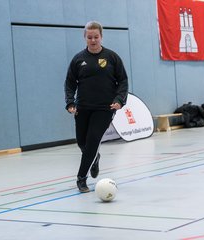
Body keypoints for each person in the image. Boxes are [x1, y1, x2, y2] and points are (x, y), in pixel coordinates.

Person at [64, 21, 129, 193]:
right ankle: (95, 158)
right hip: (82, 108)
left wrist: (119, 100)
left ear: (101, 37)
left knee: (92, 141)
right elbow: (70, 83)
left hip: (105, 108)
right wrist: (70, 102)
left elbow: (122, 80)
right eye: (89, 37)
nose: (93, 40)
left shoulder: (112, 57)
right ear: (85, 38)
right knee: (82, 142)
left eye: (96, 37)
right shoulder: (78, 59)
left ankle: (81, 178)